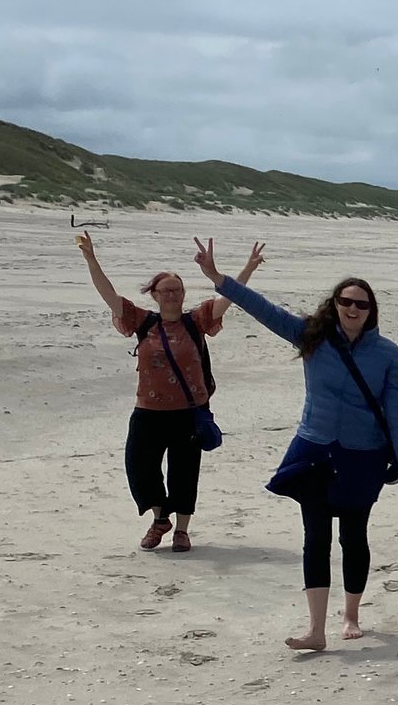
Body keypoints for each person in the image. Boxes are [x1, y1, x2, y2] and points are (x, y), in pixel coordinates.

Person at [200, 244, 398, 650]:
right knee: (315, 536)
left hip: (362, 456)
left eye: (361, 304)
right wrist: (218, 278)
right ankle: (316, 630)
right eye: (346, 302)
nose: (353, 309)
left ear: (371, 310)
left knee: (353, 535)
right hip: (314, 450)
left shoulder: (387, 354)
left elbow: (397, 412)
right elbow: (265, 311)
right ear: (335, 304)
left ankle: (351, 615)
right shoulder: (312, 336)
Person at [77, 230, 264, 552]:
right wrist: (91, 259)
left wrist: (248, 267)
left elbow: (228, 300)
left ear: (183, 293)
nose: (172, 295)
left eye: (176, 290)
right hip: (148, 411)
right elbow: (109, 295)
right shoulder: (142, 322)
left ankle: (182, 531)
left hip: (189, 412)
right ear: (154, 295)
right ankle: (160, 518)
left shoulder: (197, 320)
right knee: (140, 468)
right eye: (165, 291)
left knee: (185, 472)